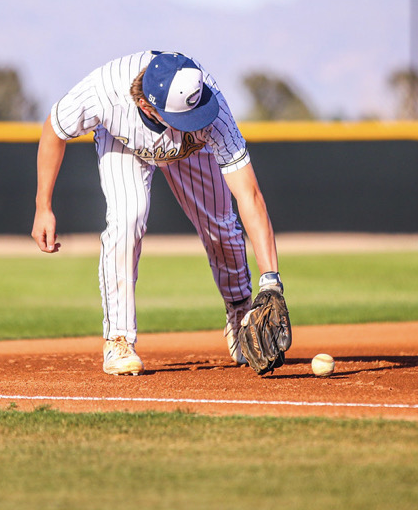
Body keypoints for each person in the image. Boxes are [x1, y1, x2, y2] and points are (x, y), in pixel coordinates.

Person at [31, 50, 283, 375]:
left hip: (190, 150)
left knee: (220, 226)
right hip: (124, 142)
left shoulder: (208, 107)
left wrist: (271, 280)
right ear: (146, 105)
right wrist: (43, 206)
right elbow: (54, 129)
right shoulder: (103, 92)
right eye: (183, 117)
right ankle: (118, 339)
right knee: (127, 219)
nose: (194, 118)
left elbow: (248, 193)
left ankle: (239, 311)